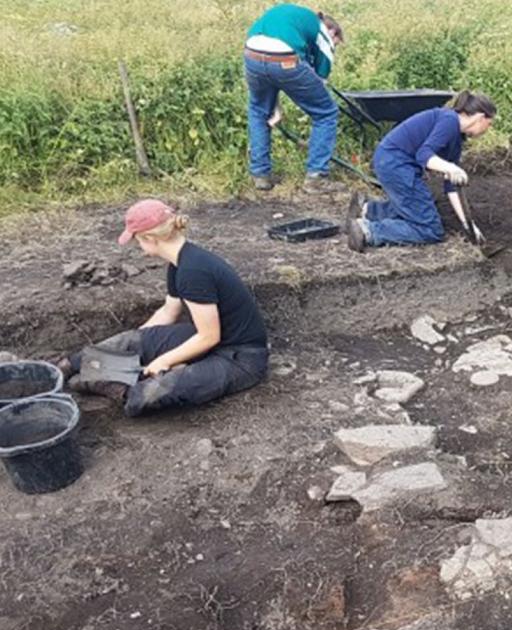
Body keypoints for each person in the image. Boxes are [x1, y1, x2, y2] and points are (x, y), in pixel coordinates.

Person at [61, 200, 270, 417]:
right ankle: (68, 366)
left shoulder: (193, 271)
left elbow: (209, 337)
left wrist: (163, 360)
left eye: (137, 241)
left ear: (149, 238)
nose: (139, 248)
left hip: (240, 358)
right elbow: (168, 312)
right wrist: (140, 340)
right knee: (133, 339)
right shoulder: (179, 263)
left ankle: (116, 386)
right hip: (212, 338)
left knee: (151, 393)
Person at [344, 91, 496, 252]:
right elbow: (424, 155)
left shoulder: (456, 137)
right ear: (480, 117)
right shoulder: (450, 121)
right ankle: (368, 231)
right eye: (489, 123)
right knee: (430, 229)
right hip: (396, 164)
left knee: (418, 204)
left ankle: (367, 210)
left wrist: (468, 223)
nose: (488, 128)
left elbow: (451, 186)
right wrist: (451, 167)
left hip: (390, 160)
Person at [243, 4, 345, 193]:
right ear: (332, 30)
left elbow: (270, 67)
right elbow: (321, 77)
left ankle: (260, 175)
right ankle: (316, 178)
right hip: (285, 58)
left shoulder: (295, 17)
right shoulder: (322, 29)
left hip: (252, 54)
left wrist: (276, 107)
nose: (334, 46)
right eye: (336, 42)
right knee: (326, 113)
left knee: (258, 111)